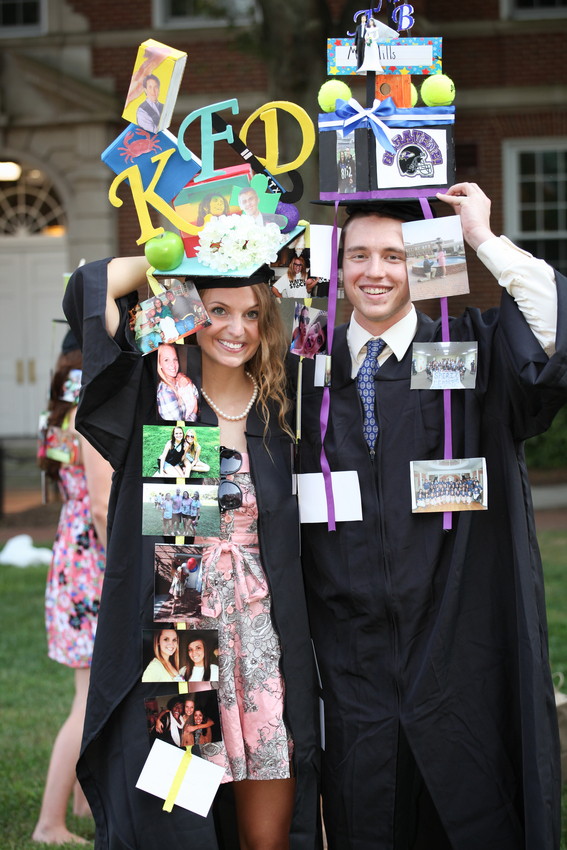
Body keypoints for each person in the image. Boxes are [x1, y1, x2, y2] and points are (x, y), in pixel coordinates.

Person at [297, 183, 565, 849]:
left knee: (473, 817)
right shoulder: (301, 371)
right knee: (367, 821)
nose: (375, 272)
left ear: (420, 263)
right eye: (357, 255)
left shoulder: (472, 354)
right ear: (337, 265)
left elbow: (554, 323)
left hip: (461, 649)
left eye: (394, 254)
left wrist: (480, 238)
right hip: (349, 660)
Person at [63, 256, 320, 850]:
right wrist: (185, 251)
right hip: (184, 651)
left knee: (270, 834)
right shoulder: (164, 405)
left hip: (262, 646)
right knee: (182, 821)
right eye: (219, 311)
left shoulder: (281, 410)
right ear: (190, 315)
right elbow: (89, 289)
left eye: (252, 314)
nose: (237, 329)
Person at [32, 333, 112, 846]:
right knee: (86, 701)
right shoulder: (90, 408)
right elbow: (101, 507)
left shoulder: (57, 411)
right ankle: (49, 823)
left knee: (88, 693)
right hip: (95, 565)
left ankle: (84, 803)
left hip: (69, 561)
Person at [156, 343, 199, 421]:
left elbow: (197, 395)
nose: (173, 365)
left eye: (175, 359)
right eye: (166, 360)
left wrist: (188, 381)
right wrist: (195, 410)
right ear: (159, 364)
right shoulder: (165, 392)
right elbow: (179, 428)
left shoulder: (177, 379)